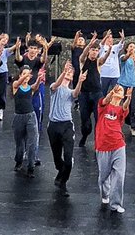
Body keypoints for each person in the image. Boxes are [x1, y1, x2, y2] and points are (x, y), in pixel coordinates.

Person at [46, 61, 84, 195]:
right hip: (53, 126)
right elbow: (55, 85)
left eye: (70, 73)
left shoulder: (69, 91)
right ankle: (60, 171)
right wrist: (63, 71)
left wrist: (80, 81)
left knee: (68, 159)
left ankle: (63, 182)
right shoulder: (54, 87)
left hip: (66, 125)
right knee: (57, 158)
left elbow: (75, 94)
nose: (68, 74)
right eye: (67, 72)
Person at [95, 83, 130, 213]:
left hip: (118, 145)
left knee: (119, 175)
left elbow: (125, 107)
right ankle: (105, 194)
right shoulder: (104, 106)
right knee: (104, 176)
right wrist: (110, 93)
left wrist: (129, 98)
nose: (118, 91)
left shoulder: (121, 110)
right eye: (117, 89)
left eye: (121, 90)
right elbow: (104, 101)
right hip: (103, 145)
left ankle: (116, 204)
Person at [11, 65, 44, 175]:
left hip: (30, 116)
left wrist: (39, 78)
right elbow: (18, 82)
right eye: (23, 74)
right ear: (20, 75)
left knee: (32, 142)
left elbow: (36, 86)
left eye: (27, 74)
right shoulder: (16, 86)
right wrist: (24, 75)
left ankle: (31, 165)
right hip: (18, 117)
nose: (26, 76)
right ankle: (19, 161)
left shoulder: (30, 88)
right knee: (19, 142)